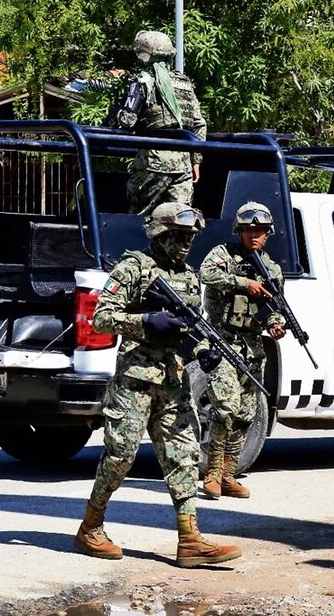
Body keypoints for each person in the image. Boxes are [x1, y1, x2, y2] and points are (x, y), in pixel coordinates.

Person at [73, 201, 242, 568]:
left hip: (173, 382)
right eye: (178, 236)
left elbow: (189, 329)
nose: (185, 244)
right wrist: (146, 321)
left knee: (184, 457)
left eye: (190, 237)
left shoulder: (189, 276)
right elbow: (102, 318)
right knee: (120, 457)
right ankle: (90, 527)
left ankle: (190, 540)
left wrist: (202, 350)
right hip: (135, 382)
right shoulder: (132, 269)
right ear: (159, 233)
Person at [198, 202, 287, 498]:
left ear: (267, 234)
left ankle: (228, 474)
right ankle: (211, 473)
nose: (253, 236)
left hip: (251, 347)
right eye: (248, 230)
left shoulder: (272, 269)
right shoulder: (224, 255)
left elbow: (274, 307)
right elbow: (206, 274)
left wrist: (276, 324)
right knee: (225, 408)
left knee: (246, 414)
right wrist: (243, 282)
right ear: (239, 231)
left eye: (259, 231)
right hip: (222, 340)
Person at [111, 30, 207, 213]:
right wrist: (196, 161)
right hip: (183, 163)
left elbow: (128, 120)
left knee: (140, 219)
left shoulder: (143, 80)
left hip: (153, 162)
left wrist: (116, 114)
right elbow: (199, 124)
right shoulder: (184, 82)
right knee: (180, 221)